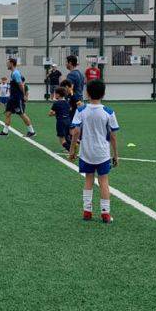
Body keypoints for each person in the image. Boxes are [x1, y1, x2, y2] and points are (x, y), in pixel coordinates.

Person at [68, 78, 119, 224]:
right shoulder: (108, 112)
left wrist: (72, 150)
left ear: (87, 93)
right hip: (102, 153)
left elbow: (76, 132)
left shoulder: (81, 110)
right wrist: (116, 155)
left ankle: (87, 212)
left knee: (88, 179)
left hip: (86, 152)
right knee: (103, 181)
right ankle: (105, 214)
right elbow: (113, 136)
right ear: (103, 94)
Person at [0, 57, 36, 137]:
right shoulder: (13, 73)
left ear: (11, 63)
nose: (6, 64)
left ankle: (31, 131)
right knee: (7, 113)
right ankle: (5, 132)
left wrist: (24, 95)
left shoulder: (16, 73)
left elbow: (21, 85)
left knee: (21, 114)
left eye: (8, 63)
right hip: (12, 98)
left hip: (17, 98)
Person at [49, 86, 73, 151]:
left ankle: (71, 151)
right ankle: (73, 146)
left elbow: (50, 113)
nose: (54, 95)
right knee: (67, 136)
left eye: (55, 93)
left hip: (61, 121)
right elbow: (70, 109)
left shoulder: (56, 103)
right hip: (68, 120)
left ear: (58, 94)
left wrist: (56, 113)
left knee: (61, 139)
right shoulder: (67, 102)